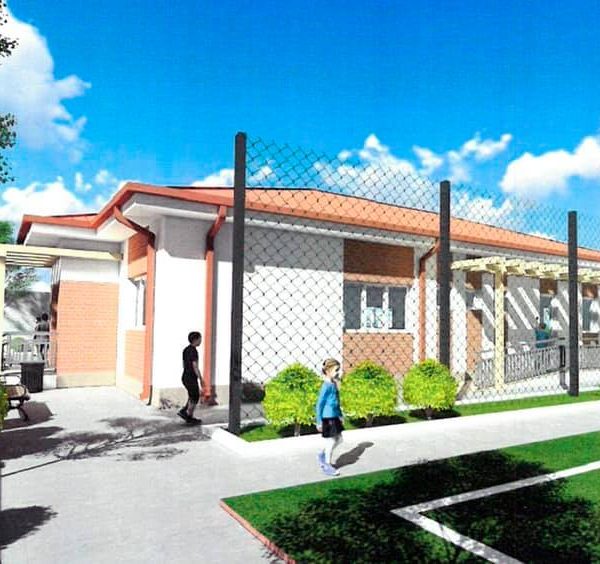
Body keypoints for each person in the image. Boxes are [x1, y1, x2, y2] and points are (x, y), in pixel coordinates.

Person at [316, 358, 344, 477]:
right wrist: (319, 421)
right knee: (331, 441)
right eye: (336, 370)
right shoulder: (326, 386)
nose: (338, 372)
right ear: (328, 371)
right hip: (328, 417)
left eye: (339, 370)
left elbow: (336, 402)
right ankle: (327, 464)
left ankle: (322, 453)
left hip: (335, 416)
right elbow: (319, 404)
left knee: (340, 439)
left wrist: (340, 415)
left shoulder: (333, 384)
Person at [178, 331, 203, 424]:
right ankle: (188, 415)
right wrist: (200, 378)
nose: (200, 341)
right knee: (195, 396)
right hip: (191, 377)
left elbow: (184, 364)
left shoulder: (186, 350)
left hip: (185, 376)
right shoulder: (194, 351)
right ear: (195, 340)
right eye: (200, 339)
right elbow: (195, 366)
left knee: (192, 395)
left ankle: (185, 411)